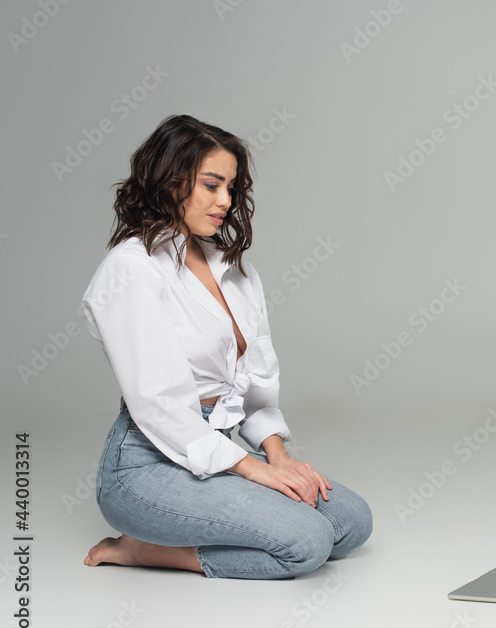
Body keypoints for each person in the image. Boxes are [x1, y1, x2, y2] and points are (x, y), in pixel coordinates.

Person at [80, 114, 371, 579]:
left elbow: (255, 382)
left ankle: (222, 512)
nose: (225, 201)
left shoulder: (232, 268)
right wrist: (254, 472)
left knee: (352, 522)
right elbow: (159, 404)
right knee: (307, 543)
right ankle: (141, 550)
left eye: (231, 187)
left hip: (216, 446)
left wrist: (279, 458)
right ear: (169, 181)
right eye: (211, 185)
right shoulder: (131, 269)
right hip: (145, 464)